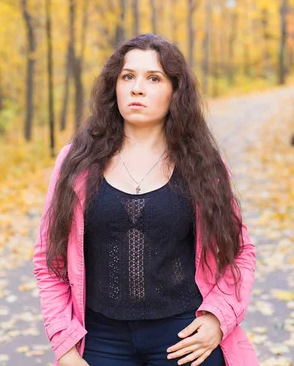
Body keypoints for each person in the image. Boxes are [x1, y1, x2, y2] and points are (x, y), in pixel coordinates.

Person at [33, 34, 258, 366]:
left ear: (175, 91)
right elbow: (48, 262)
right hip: (99, 340)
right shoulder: (76, 163)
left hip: (185, 337)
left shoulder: (202, 164)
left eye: (154, 78)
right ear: (115, 86)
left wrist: (217, 319)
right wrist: (65, 348)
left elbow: (241, 253)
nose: (137, 88)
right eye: (128, 77)